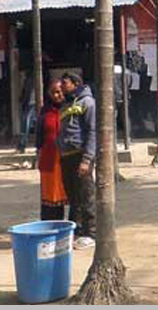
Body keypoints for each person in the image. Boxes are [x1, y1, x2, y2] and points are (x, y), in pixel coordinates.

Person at [58, 72, 97, 250]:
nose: (62, 86)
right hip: (66, 156)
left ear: (75, 83)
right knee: (73, 197)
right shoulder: (66, 104)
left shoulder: (87, 102)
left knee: (86, 195)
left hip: (80, 155)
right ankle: (77, 230)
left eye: (65, 83)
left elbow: (92, 131)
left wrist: (86, 159)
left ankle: (91, 233)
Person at [36, 79, 68, 221]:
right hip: (49, 160)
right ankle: (50, 225)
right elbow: (39, 137)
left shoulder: (70, 108)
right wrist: (39, 156)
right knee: (50, 196)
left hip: (66, 159)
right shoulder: (45, 111)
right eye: (53, 92)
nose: (56, 95)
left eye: (59, 92)